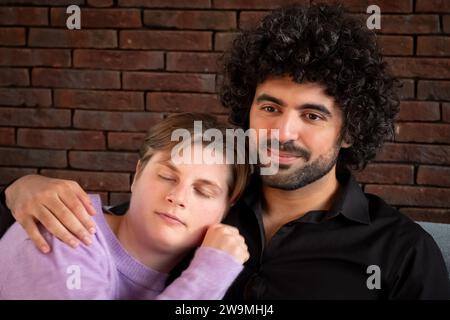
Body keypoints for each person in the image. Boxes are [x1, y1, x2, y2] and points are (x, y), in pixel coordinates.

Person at [1, 3, 449, 299]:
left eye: (312, 116)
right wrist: (23, 187)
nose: (282, 132)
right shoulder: (204, 202)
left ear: (349, 132)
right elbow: (104, 230)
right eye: (270, 107)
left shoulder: (402, 252)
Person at [0, 113, 251, 299]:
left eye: (202, 191)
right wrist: (210, 274)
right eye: (166, 176)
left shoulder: (188, 274)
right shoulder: (66, 229)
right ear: (138, 172)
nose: (178, 197)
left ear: (226, 208)